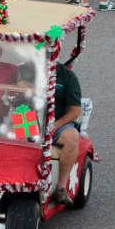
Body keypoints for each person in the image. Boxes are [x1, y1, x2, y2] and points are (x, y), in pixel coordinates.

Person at [47, 62, 84, 206]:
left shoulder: (67, 76)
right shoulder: (26, 69)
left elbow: (75, 110)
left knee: (72, 137)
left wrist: (56, 125)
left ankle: (60, 188)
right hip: (27, 119)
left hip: (57, 124)